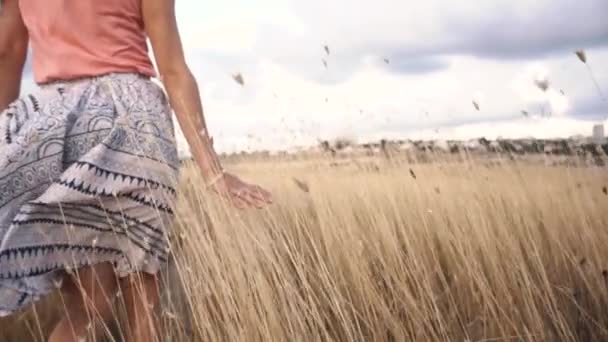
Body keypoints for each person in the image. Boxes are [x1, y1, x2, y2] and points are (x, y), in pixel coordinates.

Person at [0, 0, 273, 341]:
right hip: (134, 123)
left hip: (59, 128)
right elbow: (173, 70)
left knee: (88, 307)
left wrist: (9, 139)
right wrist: (213, 172)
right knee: (144, 305)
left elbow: (8, 51)